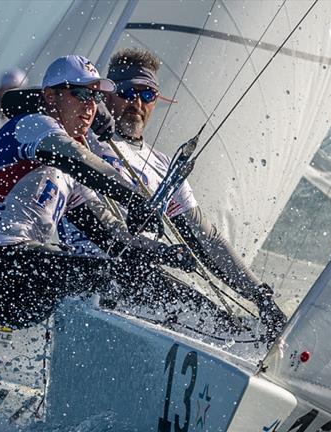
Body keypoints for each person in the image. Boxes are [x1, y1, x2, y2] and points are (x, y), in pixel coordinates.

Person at [60, 47, 287, 340]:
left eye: (148, 95)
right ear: (107, 95)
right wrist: (94, 113)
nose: (137, 104)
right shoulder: (80, 142)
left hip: (143, 280)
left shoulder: (163, 165)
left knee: (234, 331)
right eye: (129, 92)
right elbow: (40, 110)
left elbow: (206, 238)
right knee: (225, 332)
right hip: (97, 280)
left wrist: (260, 296)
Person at [0, 55, 192, 329]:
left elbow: (112, 236)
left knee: (126, 270)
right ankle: (190, 322)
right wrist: (137, 200)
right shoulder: (33, 124)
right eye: (80, 94)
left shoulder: (68, 170)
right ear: (51, 97)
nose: (89, 106)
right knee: (113, 276)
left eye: (94, 98)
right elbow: (80, 161)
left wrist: (164, 254)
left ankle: (217, 327)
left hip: (24, 276)